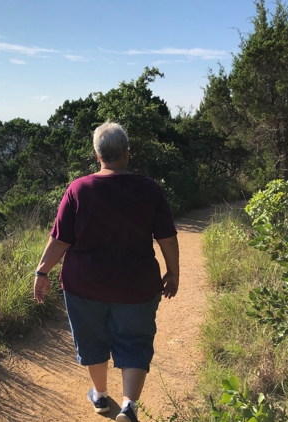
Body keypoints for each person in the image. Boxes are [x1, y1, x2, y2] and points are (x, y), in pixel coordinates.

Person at [33, 122, 179, 422]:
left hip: (84, 285)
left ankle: (99, 396)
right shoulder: (149, 188)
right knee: (135, 341)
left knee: (91, 340)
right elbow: (166, 236)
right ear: (126, 153)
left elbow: (61, 239)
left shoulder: (78, 189)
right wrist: (172, 273)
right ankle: (128, 407)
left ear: (98, 155)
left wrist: (42, 271)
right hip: (137, 286)